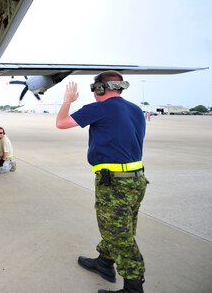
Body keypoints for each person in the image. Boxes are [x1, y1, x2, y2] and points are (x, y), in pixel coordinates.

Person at [55, 71, 148, 293]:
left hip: (115, 182)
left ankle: (134, 288)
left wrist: (67, 101)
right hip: (137, 179)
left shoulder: (98, 108)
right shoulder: (136, 110)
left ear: (100, 89)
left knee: (120, 236)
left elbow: (61, 123)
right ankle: (104, 264)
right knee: (120, 227)